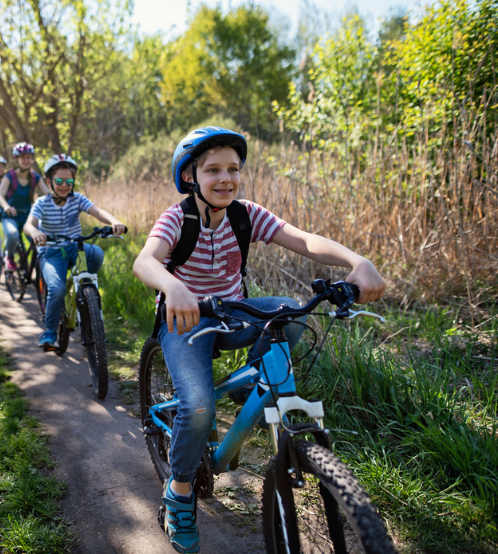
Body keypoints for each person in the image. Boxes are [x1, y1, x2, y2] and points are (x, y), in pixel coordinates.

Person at [132, 127, 386, 554]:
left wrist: (356, 261)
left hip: (234, 314)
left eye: (233, 168)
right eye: (213, 169)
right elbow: (146, 260)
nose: (226, 178)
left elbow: (303, 239)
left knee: (288, 311)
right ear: (190, 176)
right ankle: (178, 493)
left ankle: (254, 382)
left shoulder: (245, 214)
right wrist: (172, 286)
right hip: (185, 322)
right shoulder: (177, 218)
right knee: (196, 406)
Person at [25, 154, 127, 349]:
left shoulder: (77, 198)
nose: (65, 185)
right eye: (59, 181)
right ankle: (50, 331)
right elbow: (28, 225)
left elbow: (97, 212)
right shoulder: (42, 202)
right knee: (57, 289)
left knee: (95, 253)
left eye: (69, 181)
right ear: (49, 182)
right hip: (52, 252)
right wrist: (35, 231)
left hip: (75, 248)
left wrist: (114, 222)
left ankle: (84, 294)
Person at [0, 142, 48, 271]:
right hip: (10, 216)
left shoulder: (35, 177)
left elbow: (48, 195)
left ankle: (36, 269)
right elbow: (0, 196)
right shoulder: (9, 177)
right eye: (23, 157)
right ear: (17, 159)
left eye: (29, 157)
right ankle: (10, 257)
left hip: (28, 217)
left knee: (40, 240)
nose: (26, 160)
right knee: (13, 235)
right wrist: (7, 206)